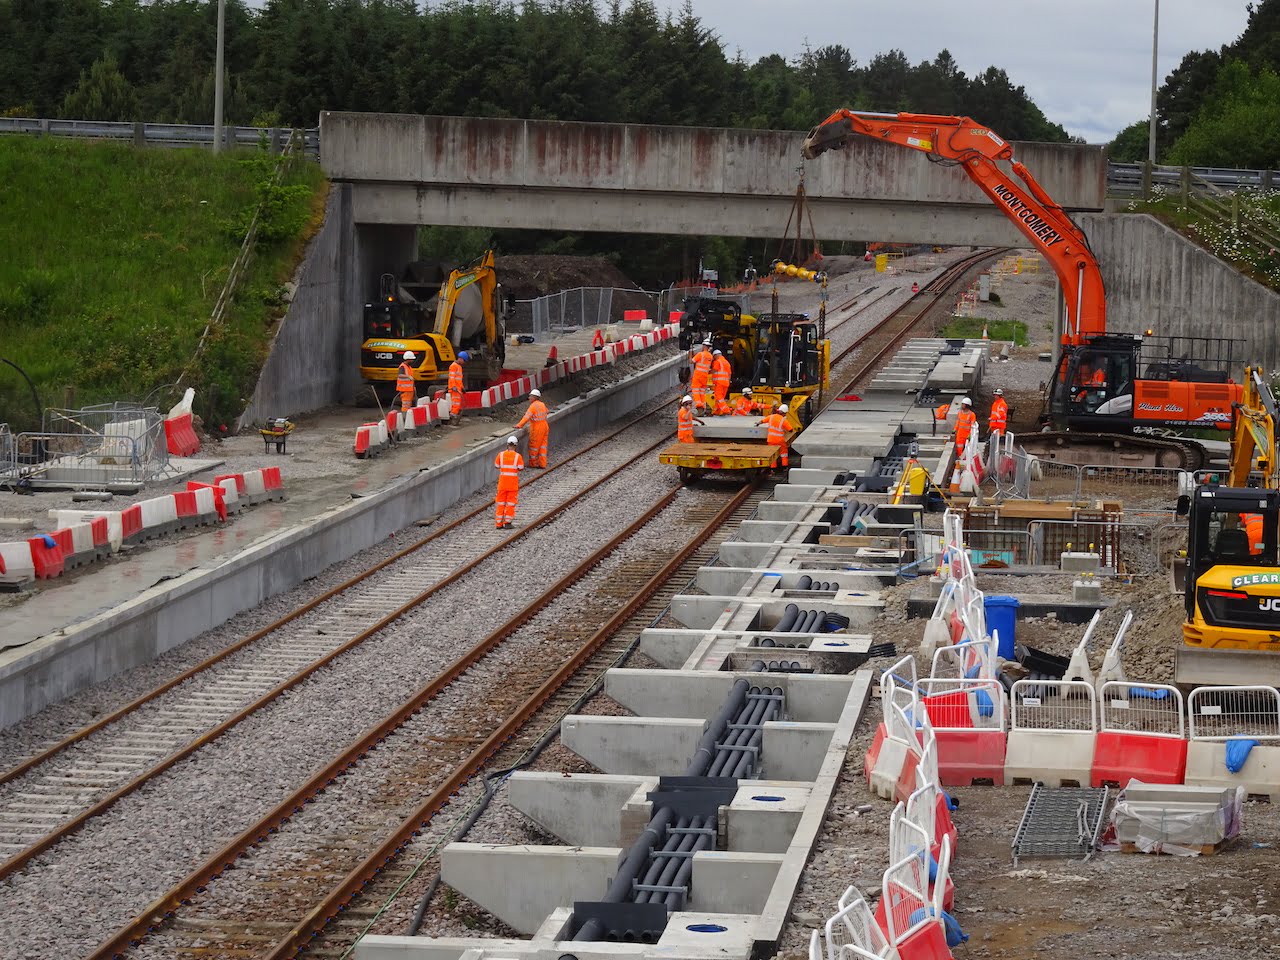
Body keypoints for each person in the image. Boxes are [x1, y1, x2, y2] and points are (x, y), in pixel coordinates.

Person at [494, 436, 525, 529]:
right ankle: (507, 523)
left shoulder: (501, 455)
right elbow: (521, 467)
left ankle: (498, 524)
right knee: (510, 504)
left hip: (502, 484)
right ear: (515, 445)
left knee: (500, 503)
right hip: (512, 484)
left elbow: (496, 465)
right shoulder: (518, 456)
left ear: (507, 444)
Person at [516, 388, 549, 468]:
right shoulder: (542, 404)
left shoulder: (533, 406)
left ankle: (533, 464)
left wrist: (519, 425)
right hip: (545, 426)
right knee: (542, 446)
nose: (529, 398)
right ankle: (542, 464)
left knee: (534, 446)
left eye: (530, 396)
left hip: (537, 428)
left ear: (534, 397)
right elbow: (547, 412)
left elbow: (526, 418)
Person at [758, 403, 790, 469]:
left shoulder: (771, 416)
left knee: (772, 454)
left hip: (771, 440)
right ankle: (785, 466)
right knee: (784, 453)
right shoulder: (784, 420)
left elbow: (762, 421)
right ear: (784, 413)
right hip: (780, 440)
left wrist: (757, 423)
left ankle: (773, 468)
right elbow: (790, 429)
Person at [690, 339, 714, 413]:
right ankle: (703, 406)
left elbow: (691, 361)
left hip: (698, 375)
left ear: (704, 346)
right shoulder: (710, 356)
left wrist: (690, 354)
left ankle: (699, 405)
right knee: (702, 391)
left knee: (695, 390)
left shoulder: (700, 354)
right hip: (705, 376)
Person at [448, 351, 468, 425]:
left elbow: (459, 379)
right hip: (454, 389)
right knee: (455, 404)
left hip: (458, 389)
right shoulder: (453, 366)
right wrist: (453, 386)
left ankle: (453, 416)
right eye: (464, 360)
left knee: (457, 403)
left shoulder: (459, 367)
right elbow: (452, 377)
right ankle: (453, 417)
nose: (464, 362)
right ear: (461, 359)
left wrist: (462, 388)